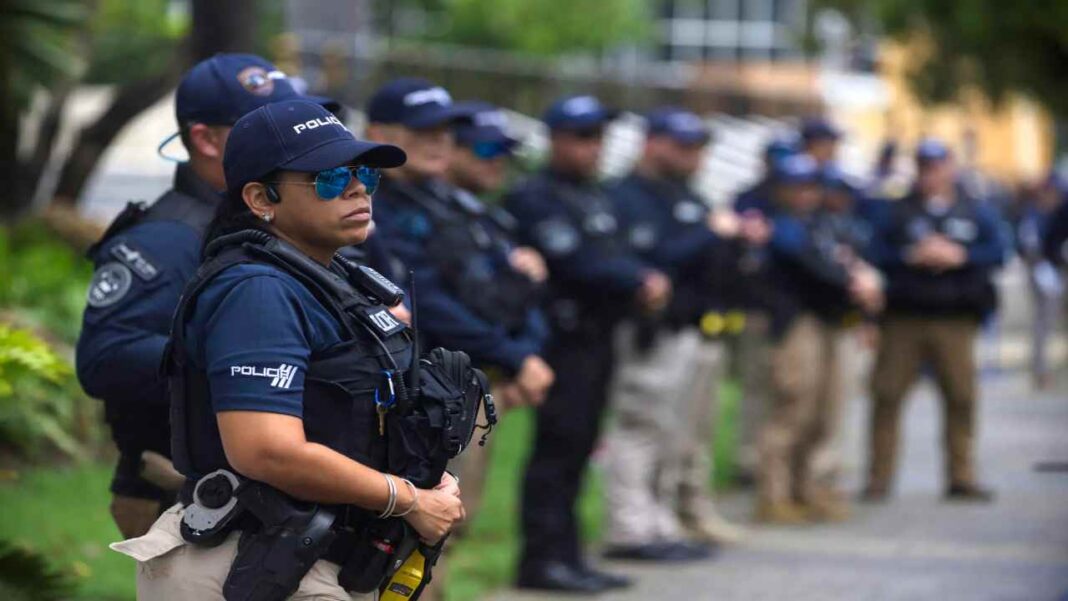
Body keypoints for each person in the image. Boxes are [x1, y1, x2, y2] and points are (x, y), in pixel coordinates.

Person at [111, 100, 468, 599]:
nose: (358, 186)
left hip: (314, 559)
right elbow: (266, 449)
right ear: (261, 198)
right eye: (328, 178)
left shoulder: (329, 278)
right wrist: (406, 499)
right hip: (249, 562)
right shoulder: (257, 290)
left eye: (364, 172)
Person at [75, 53, 339, 539]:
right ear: (205, 139)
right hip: (182, 495)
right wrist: (239, 357)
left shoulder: (269, 225)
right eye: (266, 125)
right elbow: (104, 357)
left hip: (268, 492)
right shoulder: (164, 237)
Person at [506, 95, 671, 593]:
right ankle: (541, 559)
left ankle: (569, 555)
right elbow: (575, 262)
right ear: (554, 139)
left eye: (599, 137)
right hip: (561, 340)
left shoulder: (594, 197)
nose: (593, 148)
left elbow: (617, 254)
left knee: (579, 449)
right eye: (582, 137)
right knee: (556, 451)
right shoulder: (535, 196)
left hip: (598, 338)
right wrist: (637, 279)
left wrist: (636, 278)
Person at [603, 106, 751, 560]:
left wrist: (735, 238)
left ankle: (659, 522)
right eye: (683, 146)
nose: (694, 156)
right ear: (652, 143)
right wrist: (710, 234)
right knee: (640, 429)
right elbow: (654, 258)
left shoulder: (688, 195)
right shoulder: (625, 195)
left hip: (692, 330)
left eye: (698, 147)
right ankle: (629, 528)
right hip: (651, 331)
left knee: (674, 434)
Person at [864, 139, 1005, 502]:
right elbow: (873, 248)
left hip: (955, 316)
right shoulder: (897, 211)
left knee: (961, 396)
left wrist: (961, 255)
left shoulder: (974, 210)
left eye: (938, 165)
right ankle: (878, 477)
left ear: (950, 167)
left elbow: (1000, 249)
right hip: (904, 316)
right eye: (925, 166)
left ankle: (961, 475)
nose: (931, 174)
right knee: (888, 394)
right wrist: (911, 254)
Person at [756, 154, 883, 524]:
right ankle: (774, 494)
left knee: (824, 412)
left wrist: (860, 284)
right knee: (793, 408)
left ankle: (808, 488)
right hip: (795, 323)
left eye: (810, 186)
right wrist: (853, 282)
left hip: (829, 321)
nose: (804, 194)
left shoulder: (823, 224)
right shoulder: (781, 226)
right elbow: (810, 264)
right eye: (795, 186)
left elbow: (845, 258)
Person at [1014, 173, 1064, 389]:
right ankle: (1040, 370)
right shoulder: (1033, 215)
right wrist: (1042, 267)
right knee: (1044, 322)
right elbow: (1029, 246)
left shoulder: (1059, 212)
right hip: (1042, 270)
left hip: (1058, 267)